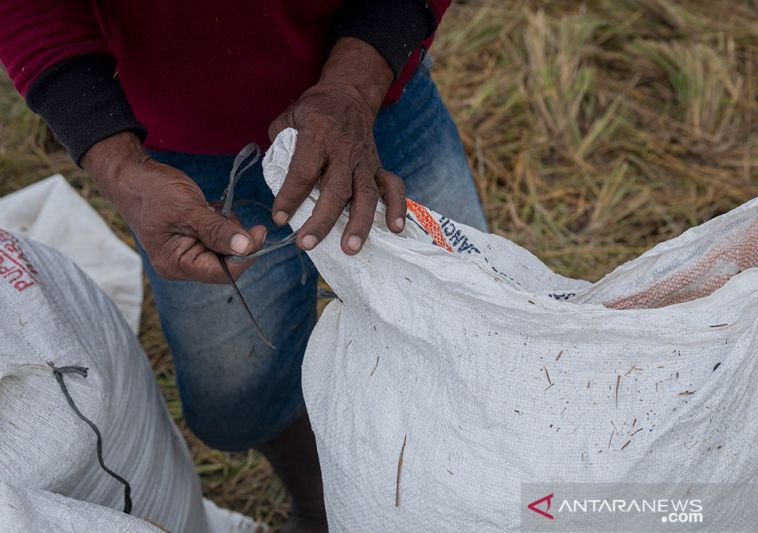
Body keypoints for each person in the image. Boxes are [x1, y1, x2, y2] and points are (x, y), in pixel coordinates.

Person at [0, 1, 487, 531]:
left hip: (374, 96)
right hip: (179, 150)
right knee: (234, 394)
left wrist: (355, 86)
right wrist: (122, 169)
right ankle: (319, 504)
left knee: (474, 329)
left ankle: (462, 491)